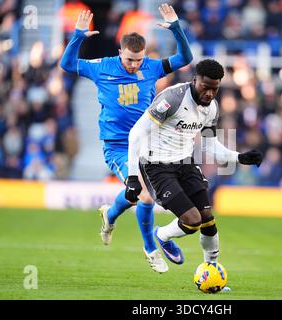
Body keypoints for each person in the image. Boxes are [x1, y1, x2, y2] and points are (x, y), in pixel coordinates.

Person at [60, 4, 193, 273]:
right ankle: (150, 248)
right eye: (130, 60)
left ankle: (109, 215)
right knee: (144, 197)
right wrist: (77, 36)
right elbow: (66, 64)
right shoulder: (102, 67)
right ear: (120, 53)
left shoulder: (152, 67)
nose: (135, 65)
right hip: (119, 146)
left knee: (136, 196)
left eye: (139, 59)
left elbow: (185, 58)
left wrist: (177, 28)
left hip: (150, 144)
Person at [126, 59, 263, 269]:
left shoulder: (211, 108)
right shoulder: (172, 99)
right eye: (205, 87)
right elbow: (136, 133)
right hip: (157, 165)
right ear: (194, 80)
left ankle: (211, 269)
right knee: (192, 220)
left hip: (185, 162)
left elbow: (210, 145)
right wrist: (133, 176)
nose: (209, 94)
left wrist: (239, 157)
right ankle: (161, 235)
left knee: (208, 219)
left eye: (214, 89)